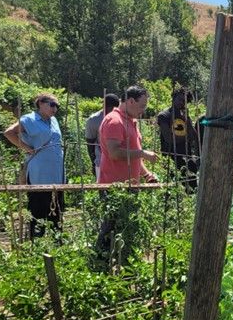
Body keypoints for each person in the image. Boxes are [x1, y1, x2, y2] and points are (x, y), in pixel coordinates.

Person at [96, 86, 158, 255]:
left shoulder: (131, 121)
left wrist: (146, 174)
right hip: (114, 186)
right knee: (111, 226)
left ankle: (122, 261)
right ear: (130, 101)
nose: (143, 110)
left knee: (126, 227)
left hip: (130, 184)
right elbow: (114, 153)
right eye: (142, 106)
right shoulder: (114, 121)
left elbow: (133, 156)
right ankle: (101, 261)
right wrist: (143, 153)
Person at [4, 93, 65, 239]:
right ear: (41, 104)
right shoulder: (29, 119)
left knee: (57, 206)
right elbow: (9, 133)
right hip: (39, 171)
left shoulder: (54, 121)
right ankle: (36, 240)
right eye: (52, 104)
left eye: (57, 106)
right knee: (38, 205)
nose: (55, 108)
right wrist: (27, 148)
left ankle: (56, 240)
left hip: (56, 171)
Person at [157, 86, 200, 179]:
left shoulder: (184, 117)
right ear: (174, 97)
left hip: (186, 158)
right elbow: (169, 139)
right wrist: (187, 137)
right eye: (180, 99)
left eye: (184, 101)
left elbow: (195, 137)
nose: (181, 103)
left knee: (191, 186)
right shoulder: (164, 115)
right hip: (171, 159)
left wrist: (187, 119)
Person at [85, 93, 120, 181]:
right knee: (103, 188)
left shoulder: (122, 118)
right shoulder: (94, 119)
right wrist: (93, 161)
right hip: (101, 160)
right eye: (107, 107)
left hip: (119, 160)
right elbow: (90, 143)